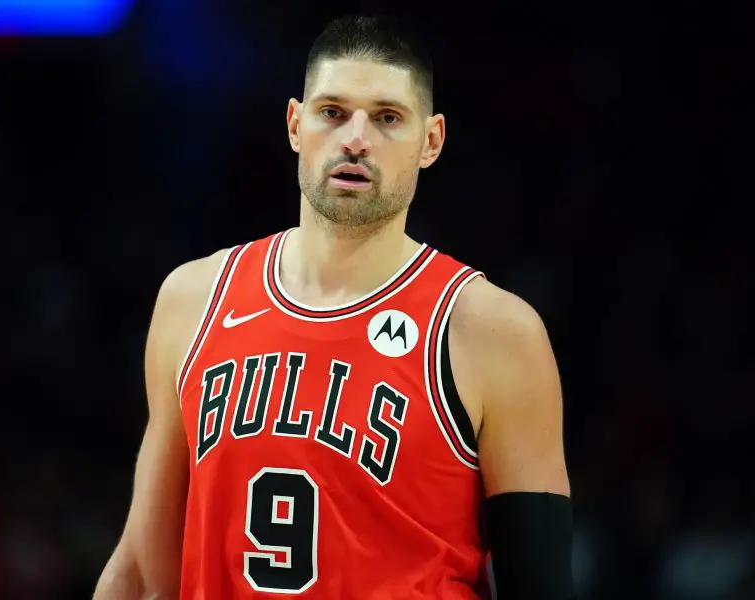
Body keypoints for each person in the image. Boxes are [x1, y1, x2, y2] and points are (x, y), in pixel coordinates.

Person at [93, 13, 575, 600]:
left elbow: (542, 586)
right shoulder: (192, 300)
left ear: (432, 141)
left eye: (388, 118)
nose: (355, 137)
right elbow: (143, 571)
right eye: (332, 112)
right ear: (295, 124)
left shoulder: (492, 330)